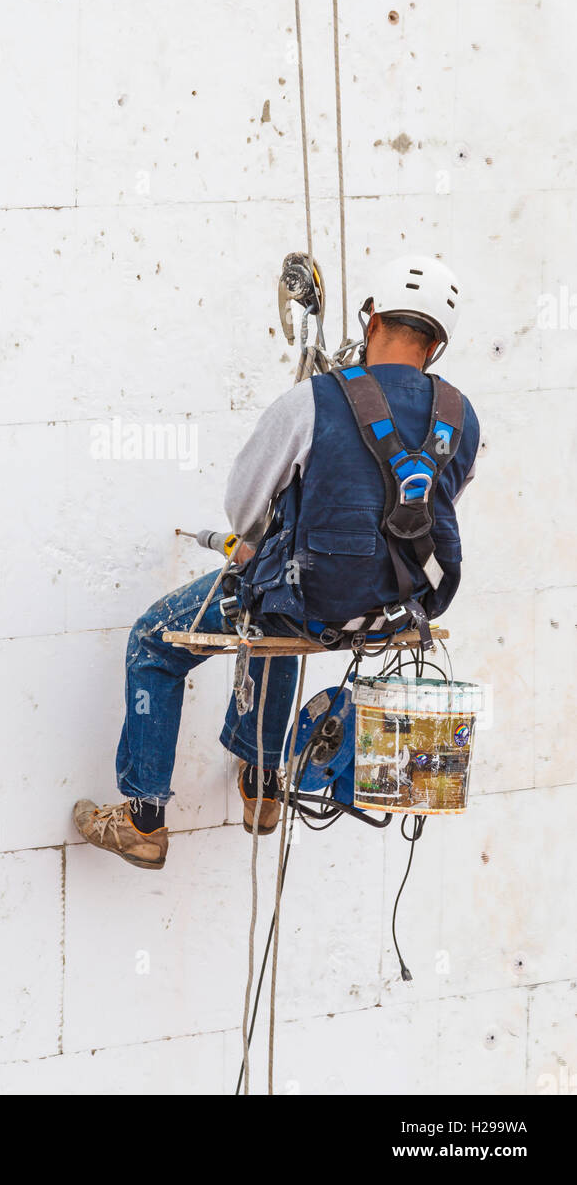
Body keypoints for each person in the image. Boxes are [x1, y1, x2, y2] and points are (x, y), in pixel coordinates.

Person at [73, 256, 480, 870]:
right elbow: (434, 502)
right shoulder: (462, 415)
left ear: (370, 321)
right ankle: (262, 786)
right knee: (276, 624)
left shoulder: (313, 400)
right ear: (438, 345)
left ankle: (143, 818)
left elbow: (242, 508)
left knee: (162, 639)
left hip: (311, 606)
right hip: (396, 613)